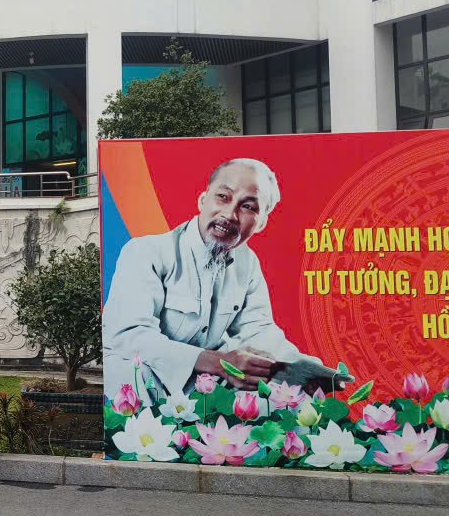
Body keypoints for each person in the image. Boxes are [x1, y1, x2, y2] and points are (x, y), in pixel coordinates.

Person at [103, 158, 327, 403]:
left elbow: (258, 330)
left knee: (291, 399)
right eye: (223, 197)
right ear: (203, 200)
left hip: (202, 389)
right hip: (141, 386)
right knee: (133, 371)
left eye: (248, 207)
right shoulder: (146, 252)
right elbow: (129, 336)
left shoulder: (247, 262)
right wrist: (221, 364)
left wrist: (301, 369)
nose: (229, 214)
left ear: (261, 222)